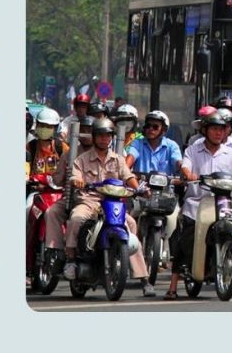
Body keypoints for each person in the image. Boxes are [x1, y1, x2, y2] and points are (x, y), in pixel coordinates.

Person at [44, 117, 152, 296]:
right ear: (94, 137)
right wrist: (77, 181)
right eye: (101, 136)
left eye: (108, 136)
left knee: (131, 223)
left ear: (112, 138)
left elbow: (128, 177)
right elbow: (74, 175)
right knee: (76, 218)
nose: (104, 139)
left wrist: (139, 188)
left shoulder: (118, 159)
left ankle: (143, 278)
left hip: (112, 202)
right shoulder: (81, 158)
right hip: (88, 200)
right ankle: (71, 258)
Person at [163, 109, 232, 300]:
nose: (218, 133)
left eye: (222, 129)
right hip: (197, 202)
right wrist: (187, 173)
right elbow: (186, 166)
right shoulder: (193, 150)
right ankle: (173, 286)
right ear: (205, 130)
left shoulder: (230, 154)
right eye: (214, 129)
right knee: (184, 237)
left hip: (223, 203)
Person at [126, 110, 182, 176]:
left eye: (155, 127)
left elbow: (177, 162)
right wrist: (125, 169)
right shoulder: (137, 143)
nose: (151, 129)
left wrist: (183, 168)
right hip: (139, 184)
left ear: (163, 130)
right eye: (148, 125)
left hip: (166, 185)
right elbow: (131, 157)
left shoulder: (172, 146)